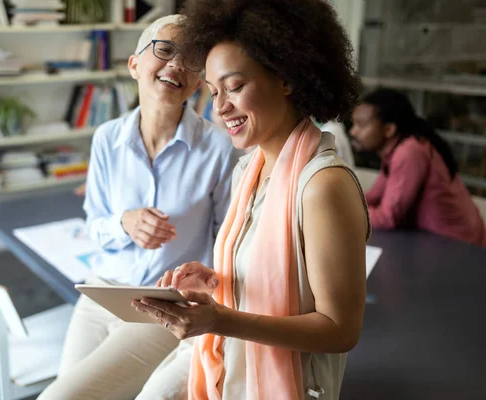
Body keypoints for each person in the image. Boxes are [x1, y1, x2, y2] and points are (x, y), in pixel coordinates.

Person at [131, 1, 370, 399]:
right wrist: (212, 281)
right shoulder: (251, 170)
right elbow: (268, 275)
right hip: (235, 371)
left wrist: (221, 320)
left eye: (235, 87)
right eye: (212, 92)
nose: (220, 107)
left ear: (286, 79)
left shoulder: (323, 185)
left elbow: (340, 329)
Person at [38, 14, 239, 399]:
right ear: (134, 64)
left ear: (198, 81)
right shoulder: (106, 138)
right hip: (101, 293)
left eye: (191, 59)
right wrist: (123, 223)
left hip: (161, 306)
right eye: (164, 50)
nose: (177, 65)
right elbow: (94, 224)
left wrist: (201, 281)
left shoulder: (219, 148)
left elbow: (226, 246)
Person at [350, 88, 486, 246]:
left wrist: (345, 211)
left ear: (389, 130)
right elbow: (374, 196)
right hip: (436, 241)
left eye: (361, 125)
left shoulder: (409, 152)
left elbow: (388, 218)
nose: (353, 132)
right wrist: (345, 203)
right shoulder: (395, 151)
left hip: (459, 246)